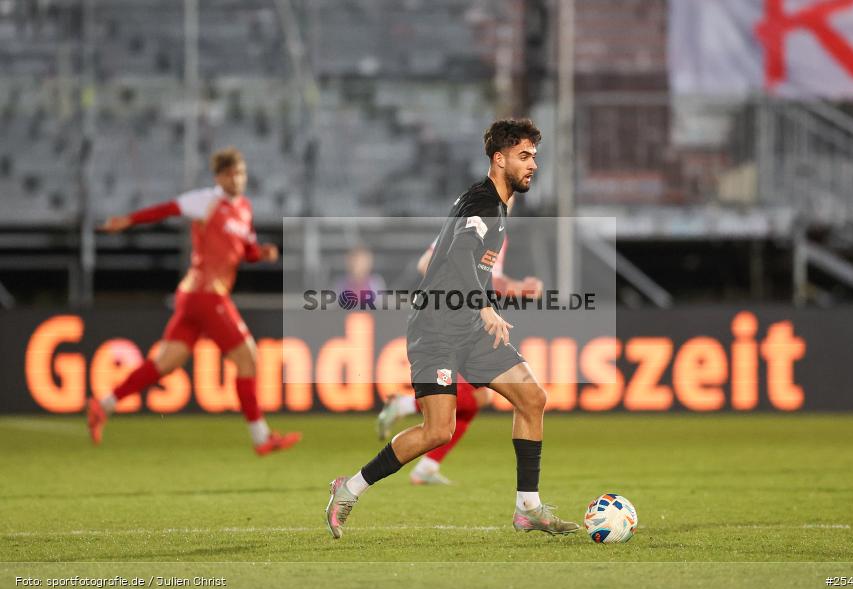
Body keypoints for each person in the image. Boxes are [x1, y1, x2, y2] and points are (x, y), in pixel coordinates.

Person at [326, 119, 578, 537]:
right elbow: (461, 256)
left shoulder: (495, 203)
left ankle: (527, 508)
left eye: (534, 155)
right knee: (438, 430)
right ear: (499, 160)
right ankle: (349, 488)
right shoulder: (483, 203)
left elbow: (470, 263)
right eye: (524, 156)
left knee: (532, 398)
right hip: (436, 327)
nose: (533, 164)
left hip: (469, 327)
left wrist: (487, 303)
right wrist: (485, 307)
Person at [87, 147, 300, 456]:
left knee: (166, 363)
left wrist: (262, 253)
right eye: (230, 174)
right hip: (205, 292)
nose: (237, 179)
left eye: (240, 173)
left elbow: (246, 250)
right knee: (248, 358)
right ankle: (261, 438)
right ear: (219, 177)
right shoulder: (206, 201)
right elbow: (168, 209)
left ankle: (103, 404)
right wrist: (129, 220)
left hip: (194, 297)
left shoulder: (244, 208)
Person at [377, 202, 544, 486]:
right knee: (462, 406)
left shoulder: (497, 230)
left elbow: (488, 279)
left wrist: (516, 288)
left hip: (469, 324)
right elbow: (427, 263)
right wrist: (507, 289)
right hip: (448, 325)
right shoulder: (473, 220)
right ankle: (405, 408)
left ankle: (426, 466)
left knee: (478, 399)